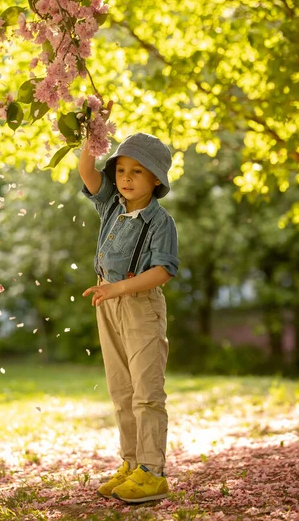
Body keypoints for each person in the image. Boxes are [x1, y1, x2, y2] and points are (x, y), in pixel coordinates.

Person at [78, 113, 180, 504]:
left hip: (140, 306)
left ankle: (152, 472)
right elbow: (87, 169)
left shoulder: (160, 221)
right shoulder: (110, 207)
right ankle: (132, 463)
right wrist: (94, 132)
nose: (126, 178)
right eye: (121, 169)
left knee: (146, 392)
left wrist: (119, 287)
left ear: (156, 180)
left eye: (138, 171)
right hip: (108, 303)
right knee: (122, 391)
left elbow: (163, 271)